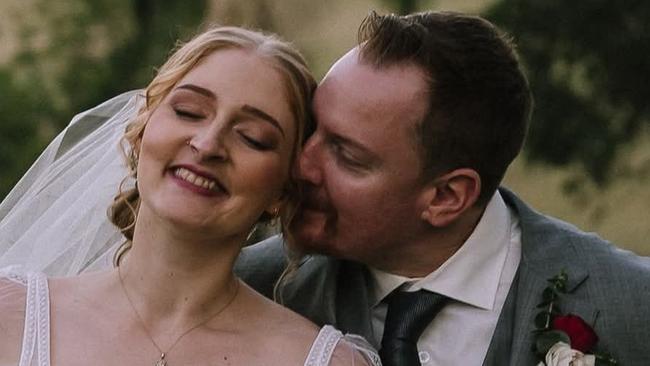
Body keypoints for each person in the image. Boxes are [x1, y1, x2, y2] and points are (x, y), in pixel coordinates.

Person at [235, 11, 650, 366]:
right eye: (310, 129)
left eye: (347, 156)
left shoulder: (631, 305)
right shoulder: (247, 286)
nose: (301, 164)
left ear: (446, 197)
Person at [0, 26, 379, 366]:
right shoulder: (11, 317)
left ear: (282, 190)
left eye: (252, 138)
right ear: (141, 130)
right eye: (189, 111)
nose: (208, 144)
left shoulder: (324, 362)